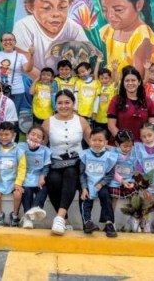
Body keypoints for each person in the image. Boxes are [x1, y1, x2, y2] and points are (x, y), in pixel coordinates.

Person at [12, 0, 88, 79]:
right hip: (36, 81)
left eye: (62, 7)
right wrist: (51, 83)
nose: (56, 14)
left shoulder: (74, 29)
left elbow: (83, 60)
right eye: (47, 8)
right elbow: (26, 66)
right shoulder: (23, 27)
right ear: (30, 7)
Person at [42, 89, 91, 235]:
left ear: (73, 103)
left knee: (70, 173)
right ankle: (65, 220)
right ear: (55, 105)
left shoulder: (81, 121)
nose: (63, 106)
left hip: (76, 163)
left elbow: (93, 142)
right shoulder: (48, 122)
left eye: (67, 102)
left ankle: (59, 218)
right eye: (60, 103)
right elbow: (42, 145)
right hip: (55, 162)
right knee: (53, 180)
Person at [98, 0, 154, 74]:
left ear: (139, 4)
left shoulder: (142, 36)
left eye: (118, 10)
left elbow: (137, 77)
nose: (109, 16)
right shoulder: (109, 30)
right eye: (105, 10)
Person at [80, 127, 118, 238]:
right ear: (89, 140)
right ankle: (87, 222)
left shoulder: (110, 156)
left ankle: (109, 223)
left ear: (106, 142)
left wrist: (101, 184)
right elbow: (81, 174)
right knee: (85, 198)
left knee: (105, 196)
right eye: (94, 140)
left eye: (100, 140)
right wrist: (84, 188)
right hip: (88, 182)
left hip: (102, 184)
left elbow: (110, 175)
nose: (97, 143)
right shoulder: (84, 155)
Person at [107, 66, 154, 143]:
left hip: (143, 144)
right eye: (127, 80)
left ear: (139, 82)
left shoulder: (148, 101)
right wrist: (123, 141)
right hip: (121, 145)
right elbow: (111, 125)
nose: (130, 83)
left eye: (133, 80)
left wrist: (149, 138)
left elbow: (152, 125)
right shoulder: (116, 100)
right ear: (123, 83)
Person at [0, 122, 26, 226]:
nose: (3, 137)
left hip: (13, 181)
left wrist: (18, 183)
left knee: (17, 194)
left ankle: (15, 216)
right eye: (1, 134)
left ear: (13, 135)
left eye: (6, 134)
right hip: (0, 181)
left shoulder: (18, 150)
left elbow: (22, 168)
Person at [134, 123, 154, 234]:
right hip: (143, 183)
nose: (147, 139)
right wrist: (143, 188)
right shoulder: (139, 149)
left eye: (149, 135)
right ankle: (144, 220)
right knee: (147, 196)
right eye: (144, 136)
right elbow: (138, 171)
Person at [19, 125, 51, 229]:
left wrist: (42, 177)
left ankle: (35, 208)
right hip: (24, 177)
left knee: (43, 189)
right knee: (26, 192)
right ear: (27, 135)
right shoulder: (20, 147)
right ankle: (27, 219)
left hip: (38, 177)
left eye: (39, 137)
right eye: (33, 134)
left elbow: (46, 166)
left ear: (42, 140)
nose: (35, 138)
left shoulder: (45, 150)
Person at [108, 130, 137, 231]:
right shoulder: (112, 153)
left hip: (129, 179)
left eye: (130, 146)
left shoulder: (133, 153)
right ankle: (111, 221)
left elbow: (135, 168)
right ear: (117, 144)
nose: (128, 149)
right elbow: (112, 170)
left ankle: (134, 218)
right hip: (115, 180)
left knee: (135, 195)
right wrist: (121, 181)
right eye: (125, 146)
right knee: (114, 198)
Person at [74, 61, 102, 126]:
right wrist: (75, 109)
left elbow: (97, 99)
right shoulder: (78, 83)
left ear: (89, 70)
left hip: (90, 113)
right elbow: (75, 97)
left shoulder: (96, 83)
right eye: (79, 73)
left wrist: (94, 111)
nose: (81, 74)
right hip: (79, 112)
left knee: (89, 129)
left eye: (83, 71)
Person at [92, 67, 117, 132]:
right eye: (102, 78)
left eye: (106, 78)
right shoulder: (98, 86)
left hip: (109, 118)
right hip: (98, 117)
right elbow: (95, 74)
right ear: (99, 79)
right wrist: (98, 63)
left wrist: (115, 70)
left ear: (110, 78)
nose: (104, 80)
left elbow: (115, 80)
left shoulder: (111, 87)